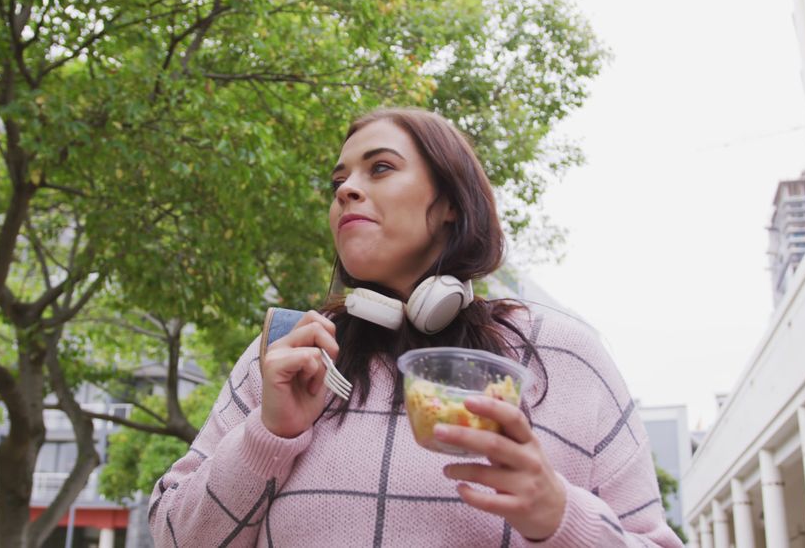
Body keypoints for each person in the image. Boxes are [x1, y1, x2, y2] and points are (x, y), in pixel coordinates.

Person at [149, 108, 683, 547]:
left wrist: (559, 515)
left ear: (450, 203)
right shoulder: (289, 354)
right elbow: (173, 538)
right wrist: (269, 436)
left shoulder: (562, 355)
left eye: (379, 168)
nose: (345, 191)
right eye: (339, 180)